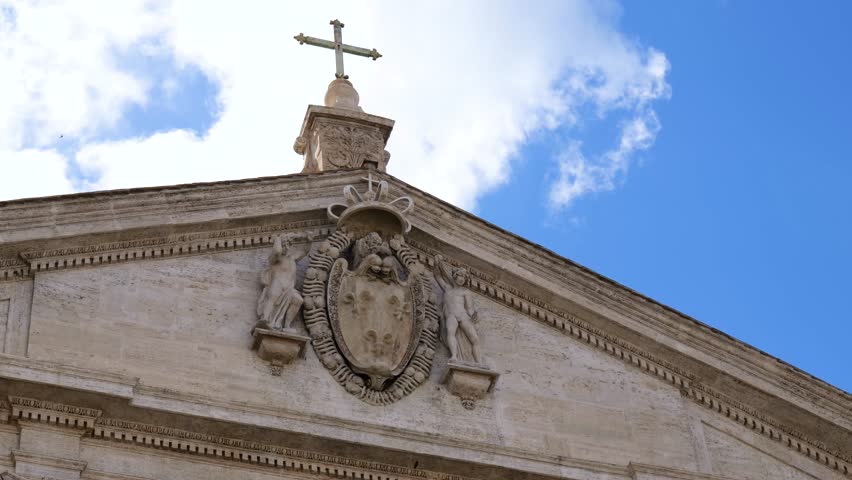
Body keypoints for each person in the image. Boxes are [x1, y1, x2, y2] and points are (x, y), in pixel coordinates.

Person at [433, 254, 482, 365]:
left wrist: (474, 315)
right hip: (451, 315)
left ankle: (479, 362)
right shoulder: (447, 288)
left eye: (464, 278)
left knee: (475, 339)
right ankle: (454, 356)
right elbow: (437, 276)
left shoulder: (465, 292)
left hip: (463, 315)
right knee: (451, 334)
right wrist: (437, 264)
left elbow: (469, 308)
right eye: (459, 276)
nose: (461, 279)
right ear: (455, 276)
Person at [257, 235, 304, 330]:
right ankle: (265, 319)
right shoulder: (275, 258)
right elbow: (277, 251)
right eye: (284, 245)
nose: (286, 247)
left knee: (298, 300)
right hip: (277, 283)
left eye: (288, 245)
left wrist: (309, 240)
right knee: (272, 299)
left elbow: (305, 251)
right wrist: (278, 238)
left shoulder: (292, 258)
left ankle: (286, 325)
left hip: (288, 288)